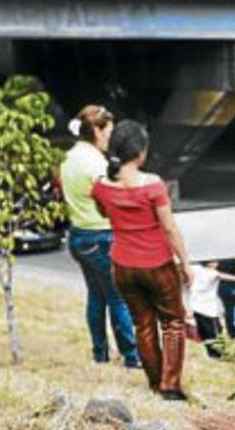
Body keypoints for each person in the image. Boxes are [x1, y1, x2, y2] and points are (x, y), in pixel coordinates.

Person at [92, 120, 192, 401]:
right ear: (139, 152)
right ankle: (170, 386)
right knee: (172, 323)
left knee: (143, 324)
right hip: (157, 264)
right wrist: (185, 263)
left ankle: (154, 384)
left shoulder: (100, 186)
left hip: (122, 266)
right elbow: (170, 228)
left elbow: (103, 213)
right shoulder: (153, 185)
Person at [60, 105, 141, 368]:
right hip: (101, 236)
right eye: (109, 131)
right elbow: (110, 198)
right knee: (119, 298)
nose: (112, 137)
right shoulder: (95, 162)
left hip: (79, 235)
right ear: (96, 129)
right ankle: (132, 357)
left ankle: (100, 354)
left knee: (96, 297)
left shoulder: (69, 157)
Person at [185, 262, 227, 359]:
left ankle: (213, 352)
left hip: (197, 306)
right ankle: (218, 353)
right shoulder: (212, 273)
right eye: (215, 261)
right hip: (208, 308)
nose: (217, 263)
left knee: (206, 332)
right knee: (214, 331)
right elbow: (222, 276)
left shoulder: (196, 269)